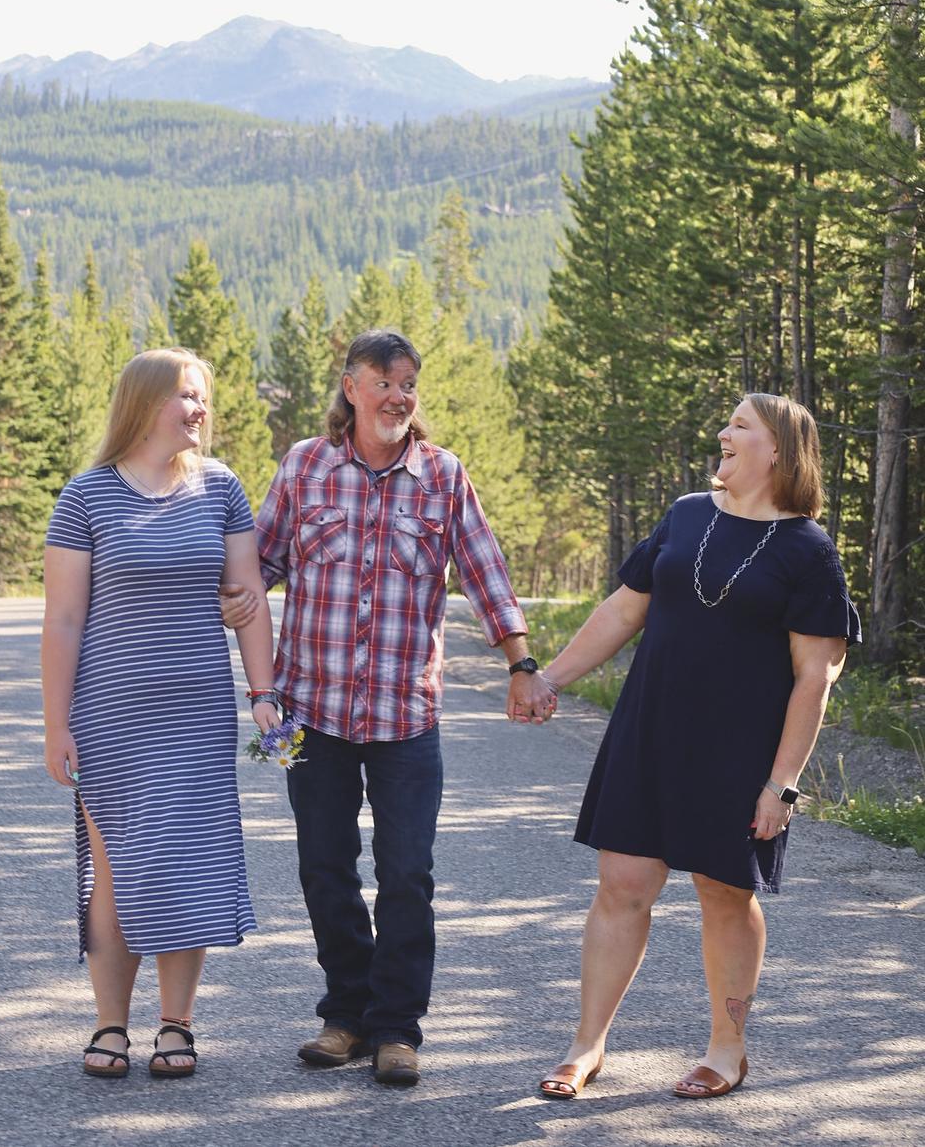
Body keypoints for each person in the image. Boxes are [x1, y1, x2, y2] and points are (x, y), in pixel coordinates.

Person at [515, 393, 860, 1101]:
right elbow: (623, 610)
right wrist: (548, 679)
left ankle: (727, 1050)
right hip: (650, 731)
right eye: (728, 423)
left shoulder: (808, 550)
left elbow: (815, 678)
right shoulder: (686, 514)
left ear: (778, 449)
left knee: (725, 893)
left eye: (740, 425)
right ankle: (586, 1047)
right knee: (622, 885)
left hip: (741, 751)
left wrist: (782, 784)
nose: (723, 433)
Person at [222, 329, 536, 1086]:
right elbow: (257, 566)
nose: (399, 398)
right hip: (310, 714)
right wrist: (212, 607)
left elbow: (485, 571)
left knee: (406, 874)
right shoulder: (305, 466)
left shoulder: (443, 476)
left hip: (407, 717)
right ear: (352, 388)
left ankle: (397, 1028)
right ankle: (346, 1016)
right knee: (324, 868)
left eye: (409, 385)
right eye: (385, 383)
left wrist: (522, 664)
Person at [42, 347, 280, 1079]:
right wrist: (56, 723)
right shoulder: (85, 497)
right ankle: (110, 1025)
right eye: (186, 395)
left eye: (203, 395)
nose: (199, 408)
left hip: (198, 714)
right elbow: (64, 621)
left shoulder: (221, 488)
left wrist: (263, 695)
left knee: (188, 865)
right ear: (145, 404)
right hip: (110, 716)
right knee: (116, 868)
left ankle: (177, 1025)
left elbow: (247, 598)